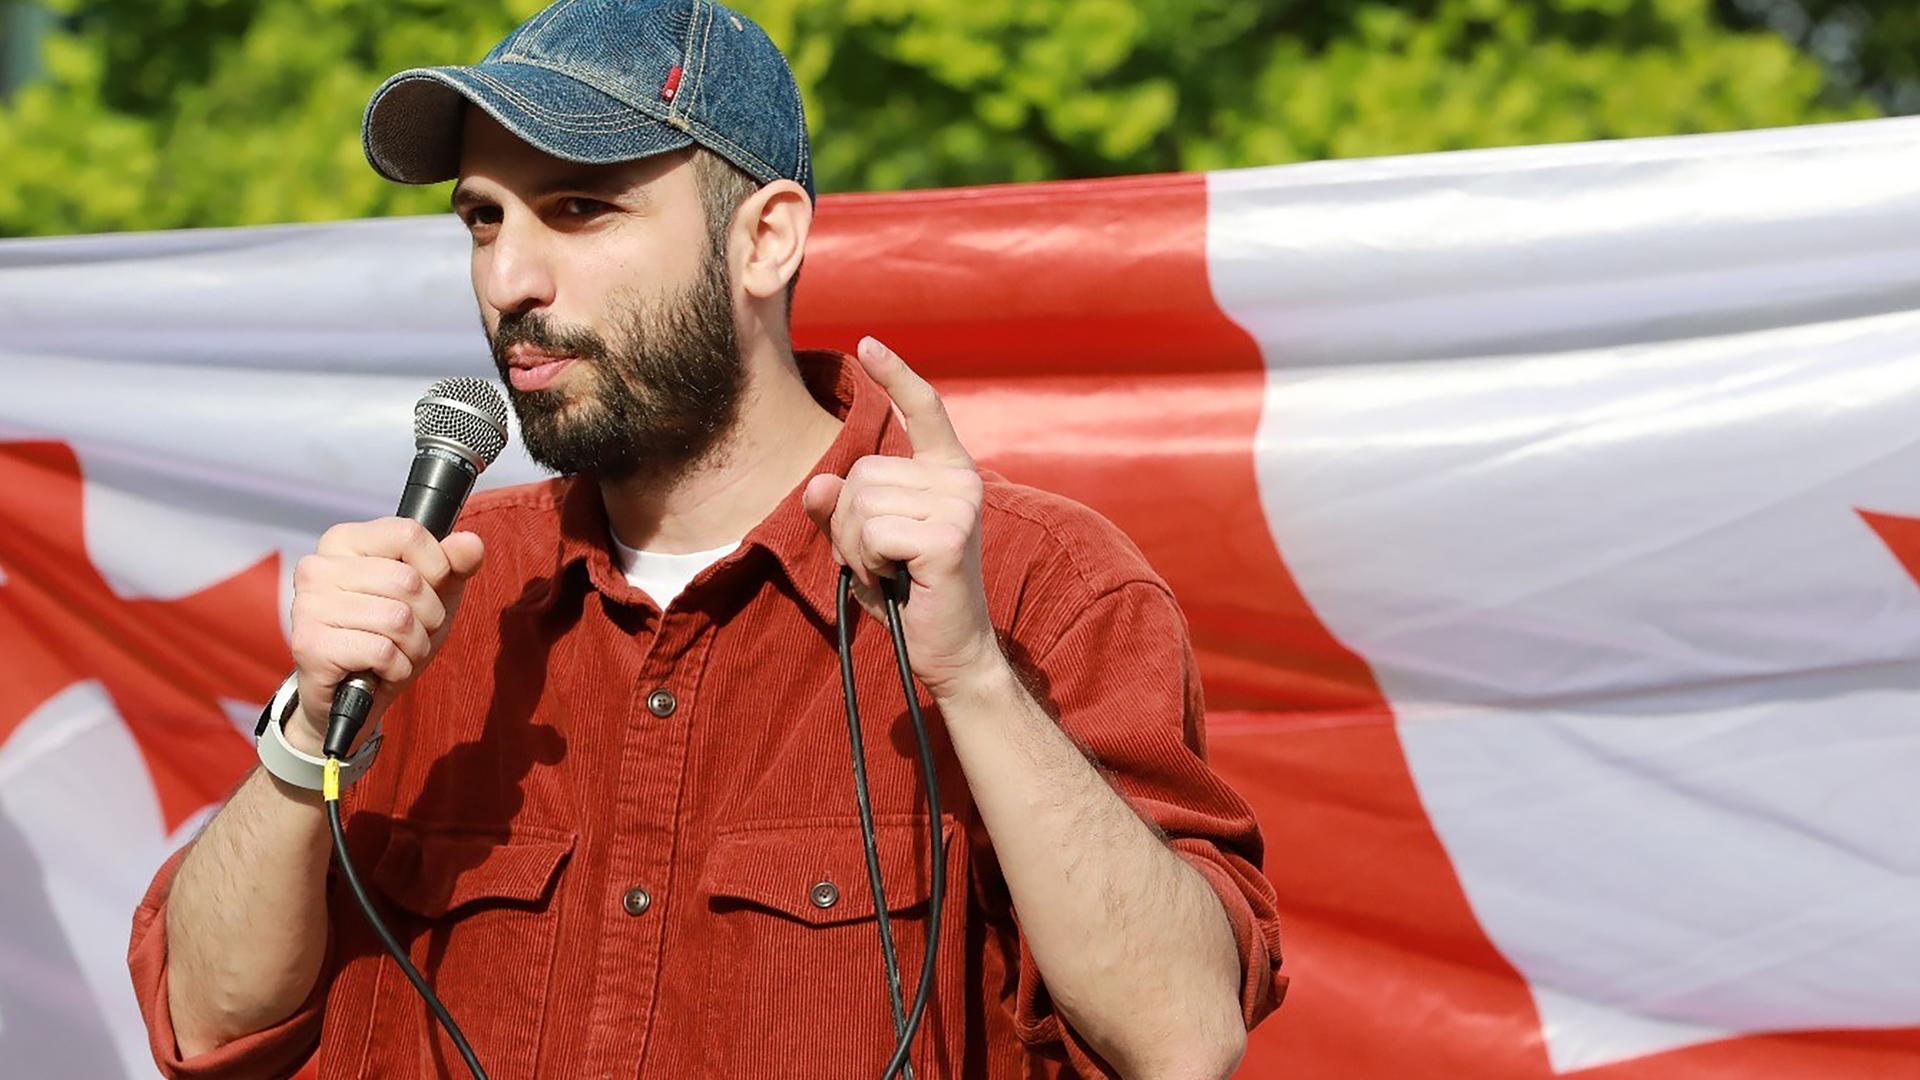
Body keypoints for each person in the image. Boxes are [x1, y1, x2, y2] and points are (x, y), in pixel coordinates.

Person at [127, 1, 1286, 1076]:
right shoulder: (443, 594)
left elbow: (1182, 1037)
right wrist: (308, 725)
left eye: (580, 207)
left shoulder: (1042, 585)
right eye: (484, 219)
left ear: (766, 240)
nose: (509, 279)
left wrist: (973, 676)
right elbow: (206, 1020)